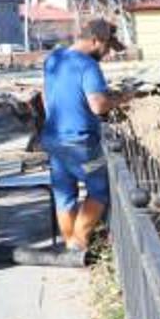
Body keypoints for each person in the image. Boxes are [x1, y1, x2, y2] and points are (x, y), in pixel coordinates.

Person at [40, 18, 127, 251]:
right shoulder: (88, 65)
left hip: (54, 139)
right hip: (82, 143)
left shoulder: (54, 59)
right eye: (107, 46)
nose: (107, 52)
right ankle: (78, 244)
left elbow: (45, 97)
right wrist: (122, 98)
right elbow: (98, 105)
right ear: (95, 40)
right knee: (100, 189)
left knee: (64, 194)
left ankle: (70, 245)